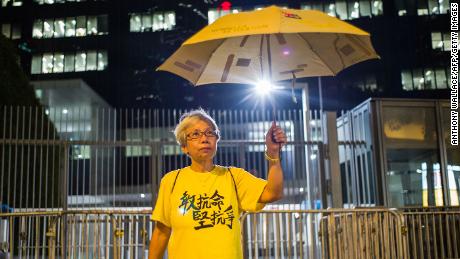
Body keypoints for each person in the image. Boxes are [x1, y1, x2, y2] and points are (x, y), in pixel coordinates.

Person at [148, 109, 287, 259]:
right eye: (195, 134)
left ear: (216, 140)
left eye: (210, 133)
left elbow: (273, 193)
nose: (204, 139)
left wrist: (273, 154)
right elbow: (161, 232)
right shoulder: (171, 181)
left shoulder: (234, 177)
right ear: (184, 146)